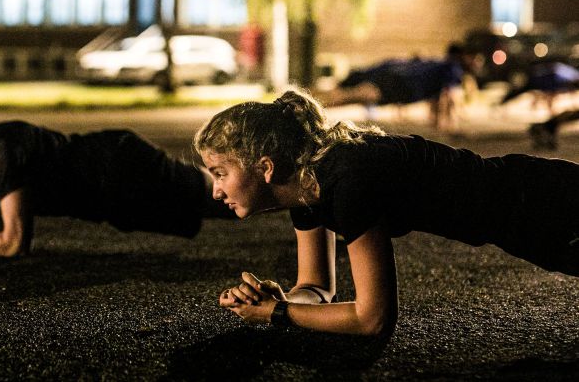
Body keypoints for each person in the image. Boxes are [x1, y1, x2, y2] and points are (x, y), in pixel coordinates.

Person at [194, 89, 578, 335]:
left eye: (220, 173)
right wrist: (283, 302)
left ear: (265, 167)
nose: (215, 190)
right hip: (532, 222)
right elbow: (316, 290)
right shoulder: (305, 185)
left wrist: (277, 314)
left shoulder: (347, 180)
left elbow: (372, 319)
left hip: (554, 205)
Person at [0, 85, 228, 257]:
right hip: (108, 201)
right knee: (219, 208)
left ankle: (274, 188)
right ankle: (271, 196)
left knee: (222, 196)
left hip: (120, 167)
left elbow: (13, 245)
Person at [313, 44, 479, 132]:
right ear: (465, 56)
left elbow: (437, 99)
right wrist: (448, 126)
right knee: (352, 97)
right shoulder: (453, 68)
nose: (477, 64)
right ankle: (312, 106)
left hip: (396, 79)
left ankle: (310, 100)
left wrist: (437, 121)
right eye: (475, 59)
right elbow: (447, 97)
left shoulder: (441, 64)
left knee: (350, 95)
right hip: (398, 84)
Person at [500, 61, 579, 114]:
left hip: (539, 80)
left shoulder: (568, 76)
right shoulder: (566, 77)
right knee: (520, 91)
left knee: (520, 91)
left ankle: (503, 102)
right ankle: (502, 102)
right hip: (538, 81)